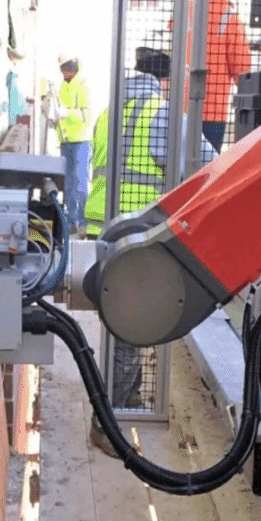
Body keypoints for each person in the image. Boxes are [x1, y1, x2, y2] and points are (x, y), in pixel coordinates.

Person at [84, 47, 217, 458]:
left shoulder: (108, 113)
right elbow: (207, 166)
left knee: (121, 329)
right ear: (166, 81)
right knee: (130, 330)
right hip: (138, 240)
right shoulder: (162, 116)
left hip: (98, 232)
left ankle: (127, 405)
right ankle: (110, 422)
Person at [176, 0, 252, 152]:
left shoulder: (186, 9)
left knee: (181, 161)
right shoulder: (229, 16)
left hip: (183, 105)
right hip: (214, 109)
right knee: (208, 164)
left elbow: (172, 39)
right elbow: (241, 68)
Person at [53, 54, 92, 235]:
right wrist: (54, 118)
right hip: (67, 142)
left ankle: (83, 221)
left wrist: (65, 113)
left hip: (81, 142)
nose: (65, 71)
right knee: (68, 184)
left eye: (67, 67)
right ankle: (71, 222)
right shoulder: (63, 87)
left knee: (80, 183)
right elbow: (61, 116)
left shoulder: (82, 85)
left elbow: (86, 116)